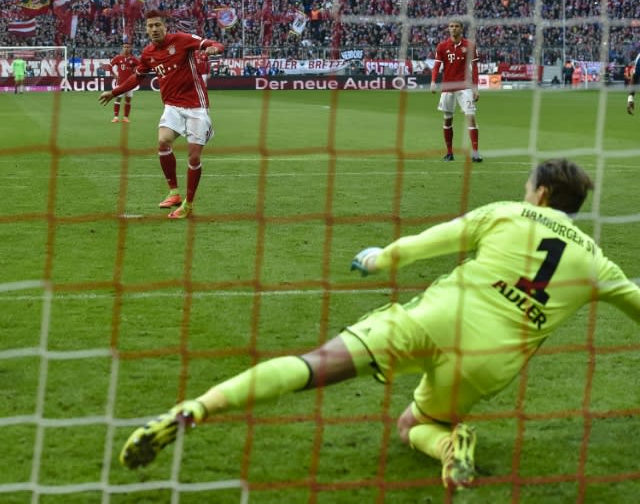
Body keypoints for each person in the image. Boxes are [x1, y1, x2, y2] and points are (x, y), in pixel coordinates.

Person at [118, 158, 640, 489]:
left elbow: (430, 240)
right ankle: (450, 445)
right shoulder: (598, 263)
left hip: (435, 319)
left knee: (312, 366)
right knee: (415, 426)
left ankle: (194, 410)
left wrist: (378, 258)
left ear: (542, 195)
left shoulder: (509, 213)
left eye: (529, 188)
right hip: (490, 363)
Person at [99, 10, 224, 220]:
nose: (154, 29)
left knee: (193, 156)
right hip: (172, 106)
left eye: (158, 25)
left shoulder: (182, 40)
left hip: (196, 106)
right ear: (146, 30)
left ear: (165, 27)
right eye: (150, 26)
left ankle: (188, 204)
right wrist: (114, 92)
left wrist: (214, 49)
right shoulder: (148, 54)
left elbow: (214, 44)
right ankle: (174, 193)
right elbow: (136, 79)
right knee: (163, 143)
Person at [431, 20, 482, 163]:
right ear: (448, 29)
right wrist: (433, 81)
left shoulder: (470, 45)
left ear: (461, 28)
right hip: (448, 87)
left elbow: (475, 68)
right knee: (447, 119)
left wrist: (475, 88)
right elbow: (436, 66)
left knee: (471, 117)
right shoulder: (442, 46)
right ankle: (449, 153)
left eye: (456, 26)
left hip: (465, 87)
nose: (453, 29)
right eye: (451, 26)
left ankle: (476, 153)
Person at [107, 43, 140, 123]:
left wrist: (136, 72)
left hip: (130, 84)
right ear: (122, 48)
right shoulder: (118, 58)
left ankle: (125, 117)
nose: (126, 48)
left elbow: (141, 66)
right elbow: (110, 66)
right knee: (118, 99)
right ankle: (116, 117)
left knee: (128, 100)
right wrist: (114, 75)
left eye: (128, 47)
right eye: (124, 47)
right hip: (120, 83)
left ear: (130, 48)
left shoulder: (133, 59)